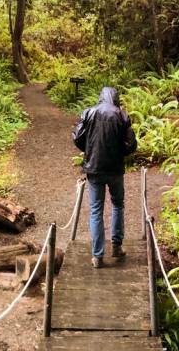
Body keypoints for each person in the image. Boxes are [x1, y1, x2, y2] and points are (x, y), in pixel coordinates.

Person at [71, 86, 137, 268]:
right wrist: (119, 151)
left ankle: (97, 256)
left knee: (96, 210)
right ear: (115, 98)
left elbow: (77, 137)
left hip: (94, 169)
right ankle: (116, 247)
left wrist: (90, 149)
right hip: (115, 169)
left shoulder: (89, 113)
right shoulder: (121, 115)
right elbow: (132, 145)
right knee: (117, 205)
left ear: (101, 97)